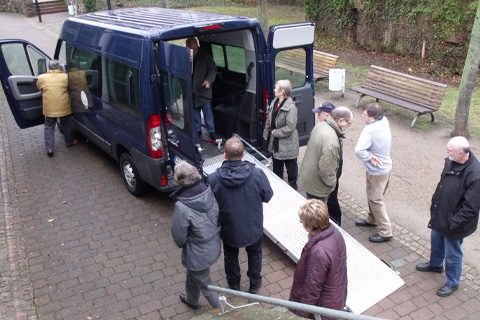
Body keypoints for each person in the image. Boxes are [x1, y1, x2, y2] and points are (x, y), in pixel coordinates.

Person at [207, 137, 274, 294]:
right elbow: (268, 196)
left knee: (230, 255)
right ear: (244, 154)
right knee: (255, 253)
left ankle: (234, 283)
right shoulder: (258, 174)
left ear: (225, 155)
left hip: (228, 227)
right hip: (253, 226)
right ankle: (254, 284)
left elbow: (209, 205)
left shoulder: (213, 179)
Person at [416, 136, 480, 297]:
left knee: (453, 254)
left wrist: (453, 223)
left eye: (449, 150)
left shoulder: (475, 175)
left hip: (454, 224)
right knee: (436, 242)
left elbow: (470, 208)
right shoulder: (452, 161)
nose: (446, 152)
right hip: (441, 214)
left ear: (461, 153)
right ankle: (435, 265)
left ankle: (453, 282)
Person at [170, 161, 222, 310]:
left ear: (179, 180)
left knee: (206, 284)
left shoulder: (182, 205)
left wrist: (182, 243)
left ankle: (223, 312)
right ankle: (191, 299)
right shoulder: (207, 191)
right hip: (213, 243)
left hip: (198, 252)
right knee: (193, 273)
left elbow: (179, 235)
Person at [289, 199, 347, 319]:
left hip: (323, 307)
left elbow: (311, 288)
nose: (302, 224)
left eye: (302, 221)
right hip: (336, 297)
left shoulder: (318, 252)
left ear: (309, 225)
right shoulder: (335, 233)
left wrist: (300, 316)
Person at [354, 102, 393, 242]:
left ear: (371, 117)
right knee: (372, 195)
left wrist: (369, 157)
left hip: (377, 170)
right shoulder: (384, 121)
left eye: (365, 115)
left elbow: (359, 150)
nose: (363, 117)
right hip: (385, 168)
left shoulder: (369, 130)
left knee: (376, 199)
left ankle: (385, 231)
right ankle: (371, 219)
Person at [298, 107, 353, 205]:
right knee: (318, 215)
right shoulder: (332, 140)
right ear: (341, 120)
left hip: (309, 179)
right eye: (348, 124)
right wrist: (332, 183)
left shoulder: (320, 126)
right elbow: (326, 169)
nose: (348, 126)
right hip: (318, 186)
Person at [312, 101, 345, 225]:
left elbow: (335, 159)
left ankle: (336, 222)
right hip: (329, 171)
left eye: (319, 114)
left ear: (326, 115)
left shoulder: (331, 133)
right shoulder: (328, 129)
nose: (317, 116)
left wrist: (331, 179)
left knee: (331, 198)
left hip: (331, 173)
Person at [36, 59, 78, 156]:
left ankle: (49, 149)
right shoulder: (65, 77)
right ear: (59, 67)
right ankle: (69, 142)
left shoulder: (41, 78)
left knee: (49, 127)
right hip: (63, 107)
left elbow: (39, 88)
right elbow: (70, 88)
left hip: (49, 108)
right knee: (67, 125)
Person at [263, 79, 299, 190]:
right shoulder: (275, 102)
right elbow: (270, 119)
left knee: (291, 169)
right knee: (277, 167)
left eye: (276, 88)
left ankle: (293, 189)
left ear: (282, 91)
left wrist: (275, 133)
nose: (274, 89)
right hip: (277, 143)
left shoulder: (291, 108)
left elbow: (290, 128)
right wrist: (266, 132)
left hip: (288, 144)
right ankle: (278, 188)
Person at [186, 37, 218, 140]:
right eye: (191, 49)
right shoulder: (185, 55)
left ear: (197, 46)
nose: (193, 51)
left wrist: (208, 80)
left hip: (204, 91)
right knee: (195, 112)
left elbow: (213, 69)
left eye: (195, 49)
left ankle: (212, 132)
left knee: (208, 113)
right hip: (192, 91)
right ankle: (197, 130)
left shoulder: (205, 56)